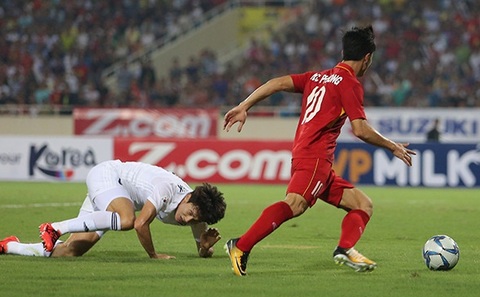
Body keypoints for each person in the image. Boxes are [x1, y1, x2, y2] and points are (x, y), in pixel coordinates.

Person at [223, 25, 416, 276]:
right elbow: (360, 129)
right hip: (315, 158)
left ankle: (345, 249)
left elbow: (276, 83)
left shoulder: (317, 77)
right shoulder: (349, 83)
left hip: (311, 157)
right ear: (367, 58)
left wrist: (244, 104)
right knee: (295, 204)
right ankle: (241, 246)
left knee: (363, 205)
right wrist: (392, 146)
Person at [0, 160, 226, 259]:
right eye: (190, 214)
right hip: (108, 177)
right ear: (189, 198)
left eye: (194, 220)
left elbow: (202, 251)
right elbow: (140, 224)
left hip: (115, 196)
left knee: (71, 251)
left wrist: (205, 248)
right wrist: (153, 255)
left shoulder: (198, 215)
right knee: (127, 219)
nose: (187, 221)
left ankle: (10, 246)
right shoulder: (167, 189)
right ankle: (56, 228)